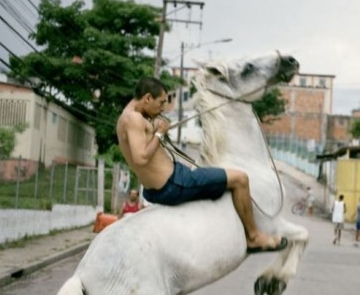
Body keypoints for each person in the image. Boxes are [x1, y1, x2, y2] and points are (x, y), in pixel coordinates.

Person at [116, 77, 287, 254]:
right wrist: (159, 133)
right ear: (148, 98)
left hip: (157, 187)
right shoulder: (134, 119)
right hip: (173, 185)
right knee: (240, 179)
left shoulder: (127, 116)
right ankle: (254, 237)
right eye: (160, 103)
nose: (162, 108)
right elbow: (141, 158)